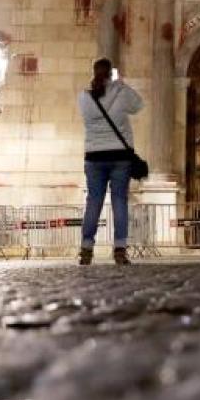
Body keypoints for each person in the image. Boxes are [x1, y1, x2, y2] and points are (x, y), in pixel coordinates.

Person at [77, 58, 143, 266]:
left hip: (94, 156)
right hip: (119, 156)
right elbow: (139, 105)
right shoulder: (121, 92)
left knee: (94, 201)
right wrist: (121, 83)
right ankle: (120, 249)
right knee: (119, 201)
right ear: (111, 74)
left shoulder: (84, 98)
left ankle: (86, 249)